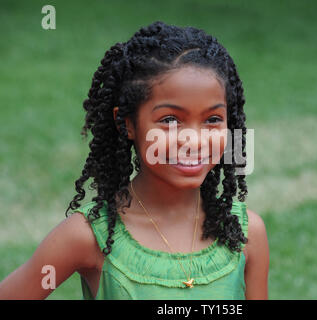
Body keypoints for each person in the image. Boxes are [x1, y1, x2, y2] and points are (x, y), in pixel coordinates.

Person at [0, 21, 269, 300]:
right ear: (127, 124)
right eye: (170, 120)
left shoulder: (245, 234)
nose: (194, 140)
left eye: (212, 120)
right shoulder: (87, 237)